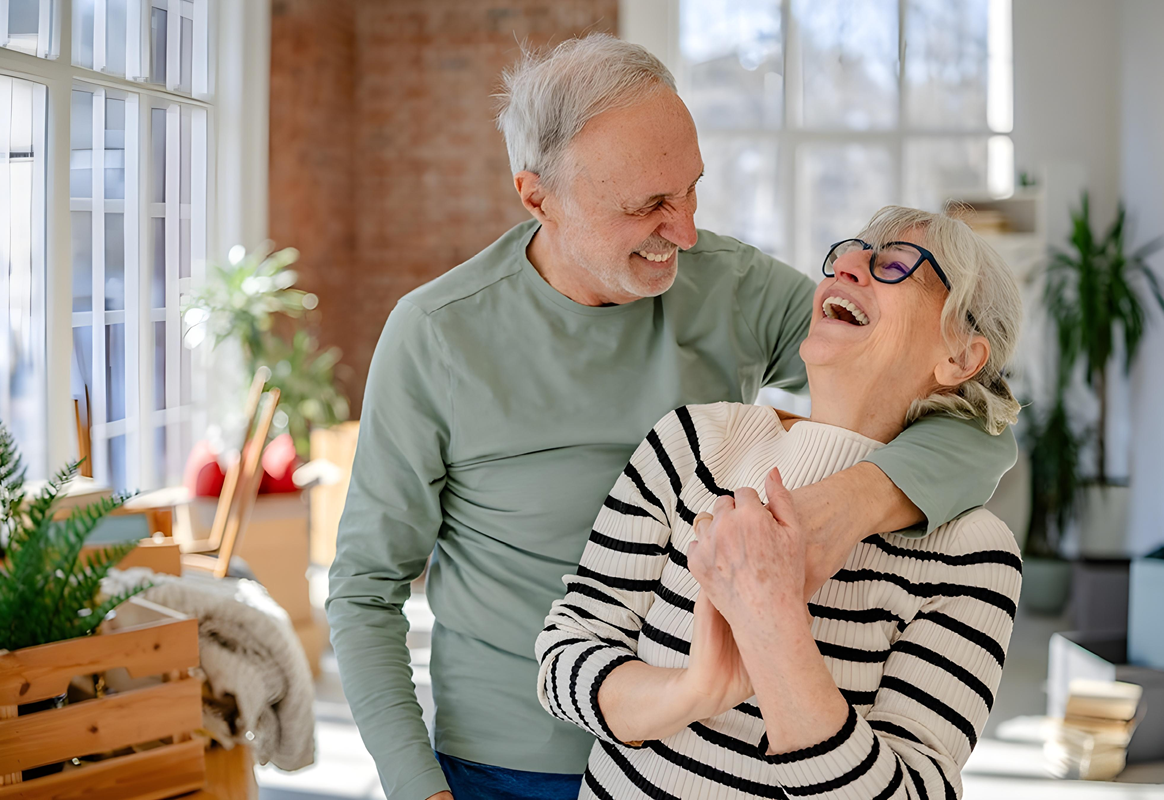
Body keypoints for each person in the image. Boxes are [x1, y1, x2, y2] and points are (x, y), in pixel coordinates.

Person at [327, 35, 1016, 800]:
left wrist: (846, 505)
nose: (685, 231)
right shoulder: (437, 334)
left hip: (702, 756)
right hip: (504, 759)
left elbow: (967, 413)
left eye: (690, 189)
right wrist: (416, 785)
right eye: (647, 206)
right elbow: (365, 587)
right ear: (536, 198)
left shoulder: (730, 287)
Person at [536, 205, 1024, 799]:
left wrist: (774, 630)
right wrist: (694, 692)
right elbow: (566, 655)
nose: (846, 265)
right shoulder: (697, 443)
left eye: (896, 263)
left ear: (961, 357)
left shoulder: (972, 554)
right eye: (846, 252)